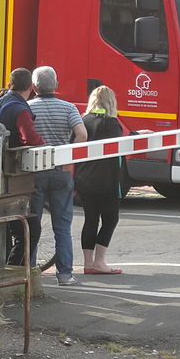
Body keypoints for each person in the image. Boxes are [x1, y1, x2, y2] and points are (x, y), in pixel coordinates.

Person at [28, 66, 87, 286]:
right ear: (57, 84)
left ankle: (31, 273)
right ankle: (64, 275)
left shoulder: (28, 108)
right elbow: (82, 134)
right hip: (61, 171)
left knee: (32, 222)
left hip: (34, 171)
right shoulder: (68, 108)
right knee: (62, 225)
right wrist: (68, 156)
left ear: (34, 87)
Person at [0, 69, 44, 266]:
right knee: (29, 229)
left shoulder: (2, 101)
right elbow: (29, 138)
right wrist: (45, 145)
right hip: (10, 175)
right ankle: (15, 272)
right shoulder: (20, 108)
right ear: (31, 87)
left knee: (7, 225)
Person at [76, 85, 125, 274]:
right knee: (110, 219)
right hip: (106, 180)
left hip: (84, 178)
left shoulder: (83, 121)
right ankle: (100, 261)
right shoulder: (111, 123)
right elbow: (120, 146)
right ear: (111, 101)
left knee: (90, 219)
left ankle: (88, 263)